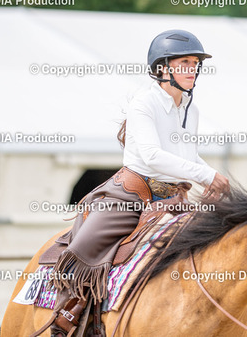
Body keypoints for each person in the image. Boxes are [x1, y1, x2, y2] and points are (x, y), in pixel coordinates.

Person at [48, 29, 230, 336]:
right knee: (82, 250)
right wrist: (206, 175)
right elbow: (152, 156)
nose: (193, 69)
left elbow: (188, 155)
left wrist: (213, 176)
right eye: (184, 62)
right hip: (130, 196)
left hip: (175, 199)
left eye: (195, 63)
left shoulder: (191, 109)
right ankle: (65, 316)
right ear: (162, 68)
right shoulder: (144, 103)